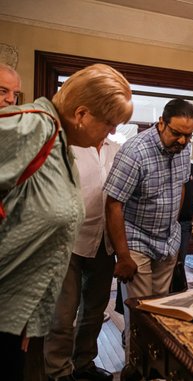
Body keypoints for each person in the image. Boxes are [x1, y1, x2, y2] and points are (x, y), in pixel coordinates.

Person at [0, 63, 132, 381]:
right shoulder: (34, 126)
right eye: (110, 123)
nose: (112, 132)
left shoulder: (59, 142)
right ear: (82, 114)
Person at [103, 98, 193, 361]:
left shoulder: (183, 149)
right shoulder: (135, 152)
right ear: (161, 124)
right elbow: (113, 204)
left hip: (167, 239)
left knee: (160, 309)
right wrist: (123, 256)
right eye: (176, 133)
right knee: (140, 313)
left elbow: (180, 186)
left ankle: (155, 368)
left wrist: (172, 226)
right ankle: (136, 368)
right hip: (136, 240)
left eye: (187, 135)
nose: (182, 141)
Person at [44, 137, 121, 381]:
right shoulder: (68, 146)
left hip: (104, 242)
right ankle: (57, 371)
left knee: (95, 310)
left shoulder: (117, 150)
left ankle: (83, 363)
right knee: (63, 314)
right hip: (69, 242)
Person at [171, 162, 193, 292]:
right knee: (163, 267)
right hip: (164, 223)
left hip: (184, 223)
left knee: (178, 265)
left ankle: (176, 296)